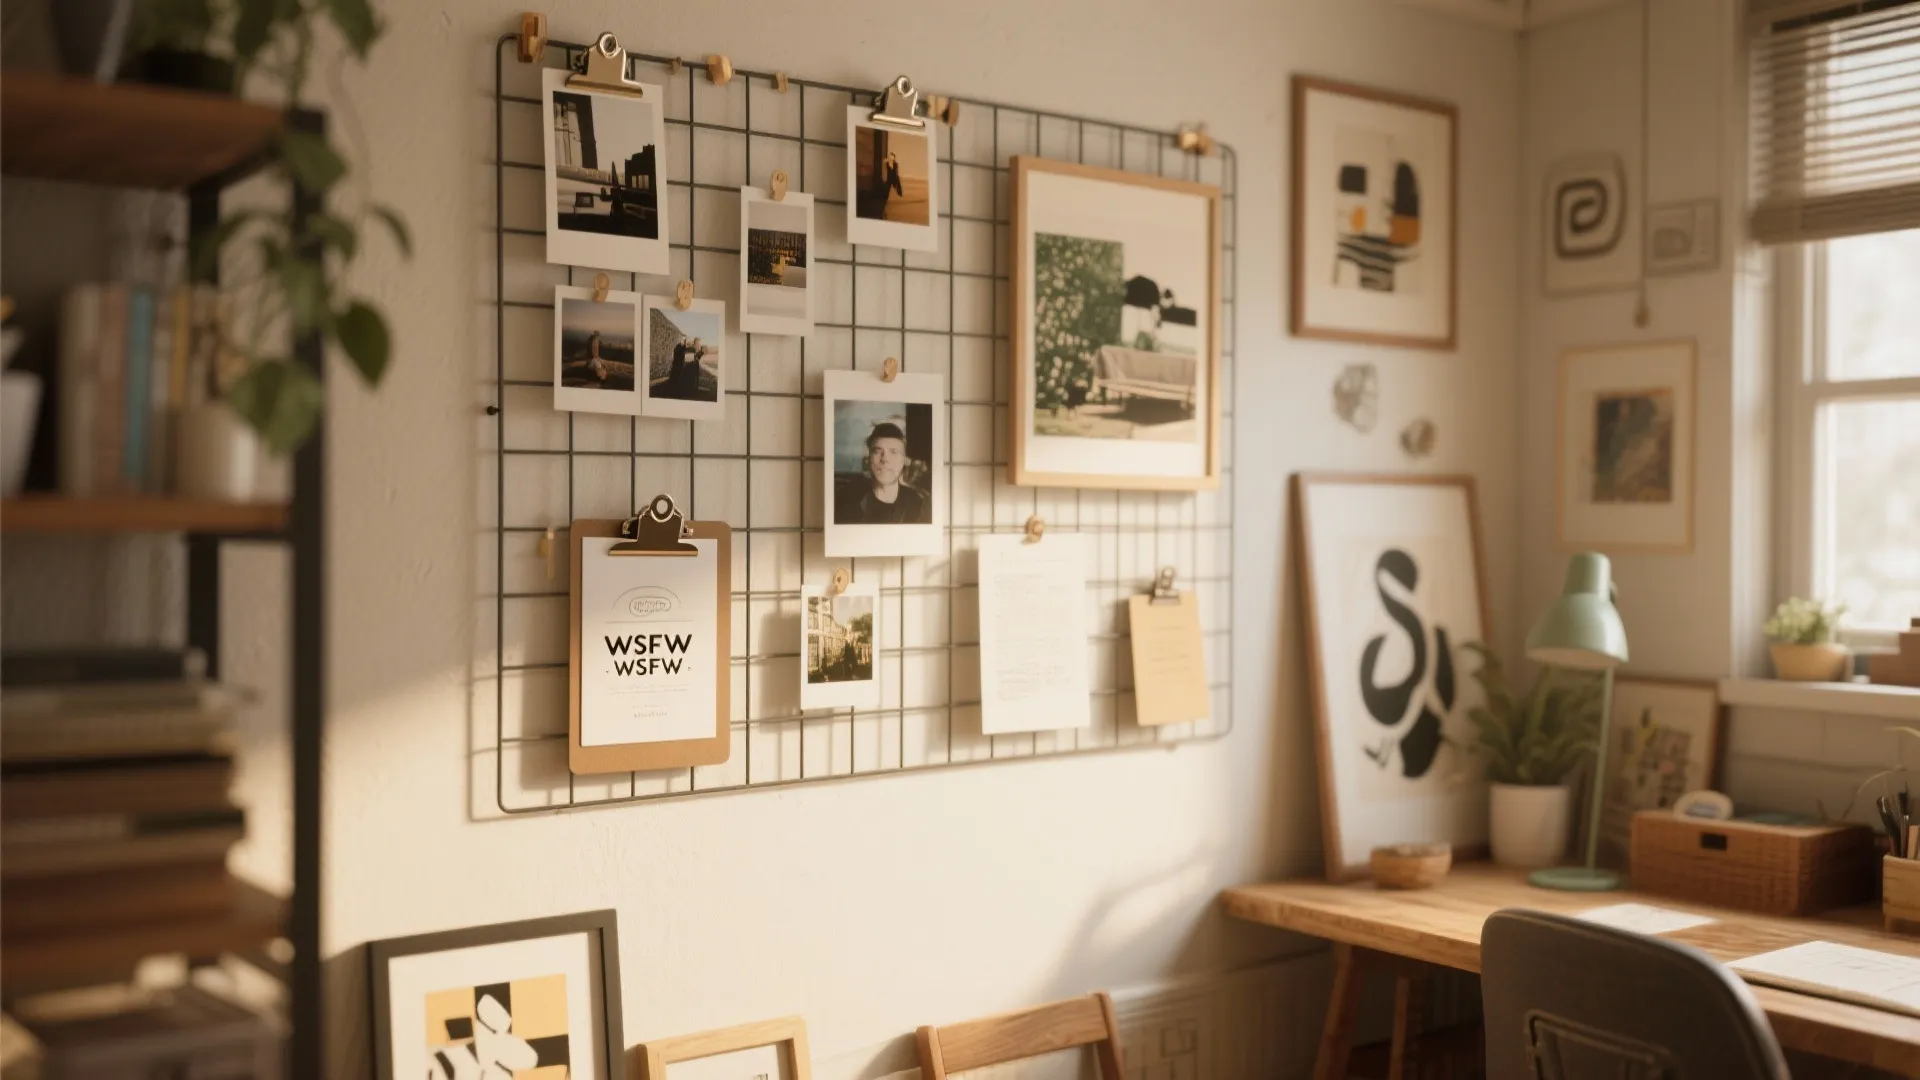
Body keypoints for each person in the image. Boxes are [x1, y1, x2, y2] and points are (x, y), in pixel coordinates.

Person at [835, 421, 930, 525]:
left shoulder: (920, 505)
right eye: (877, 451)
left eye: (893, 452)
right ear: (869, 458)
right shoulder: (845, 502)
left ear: (905, 460)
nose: (885, 459)